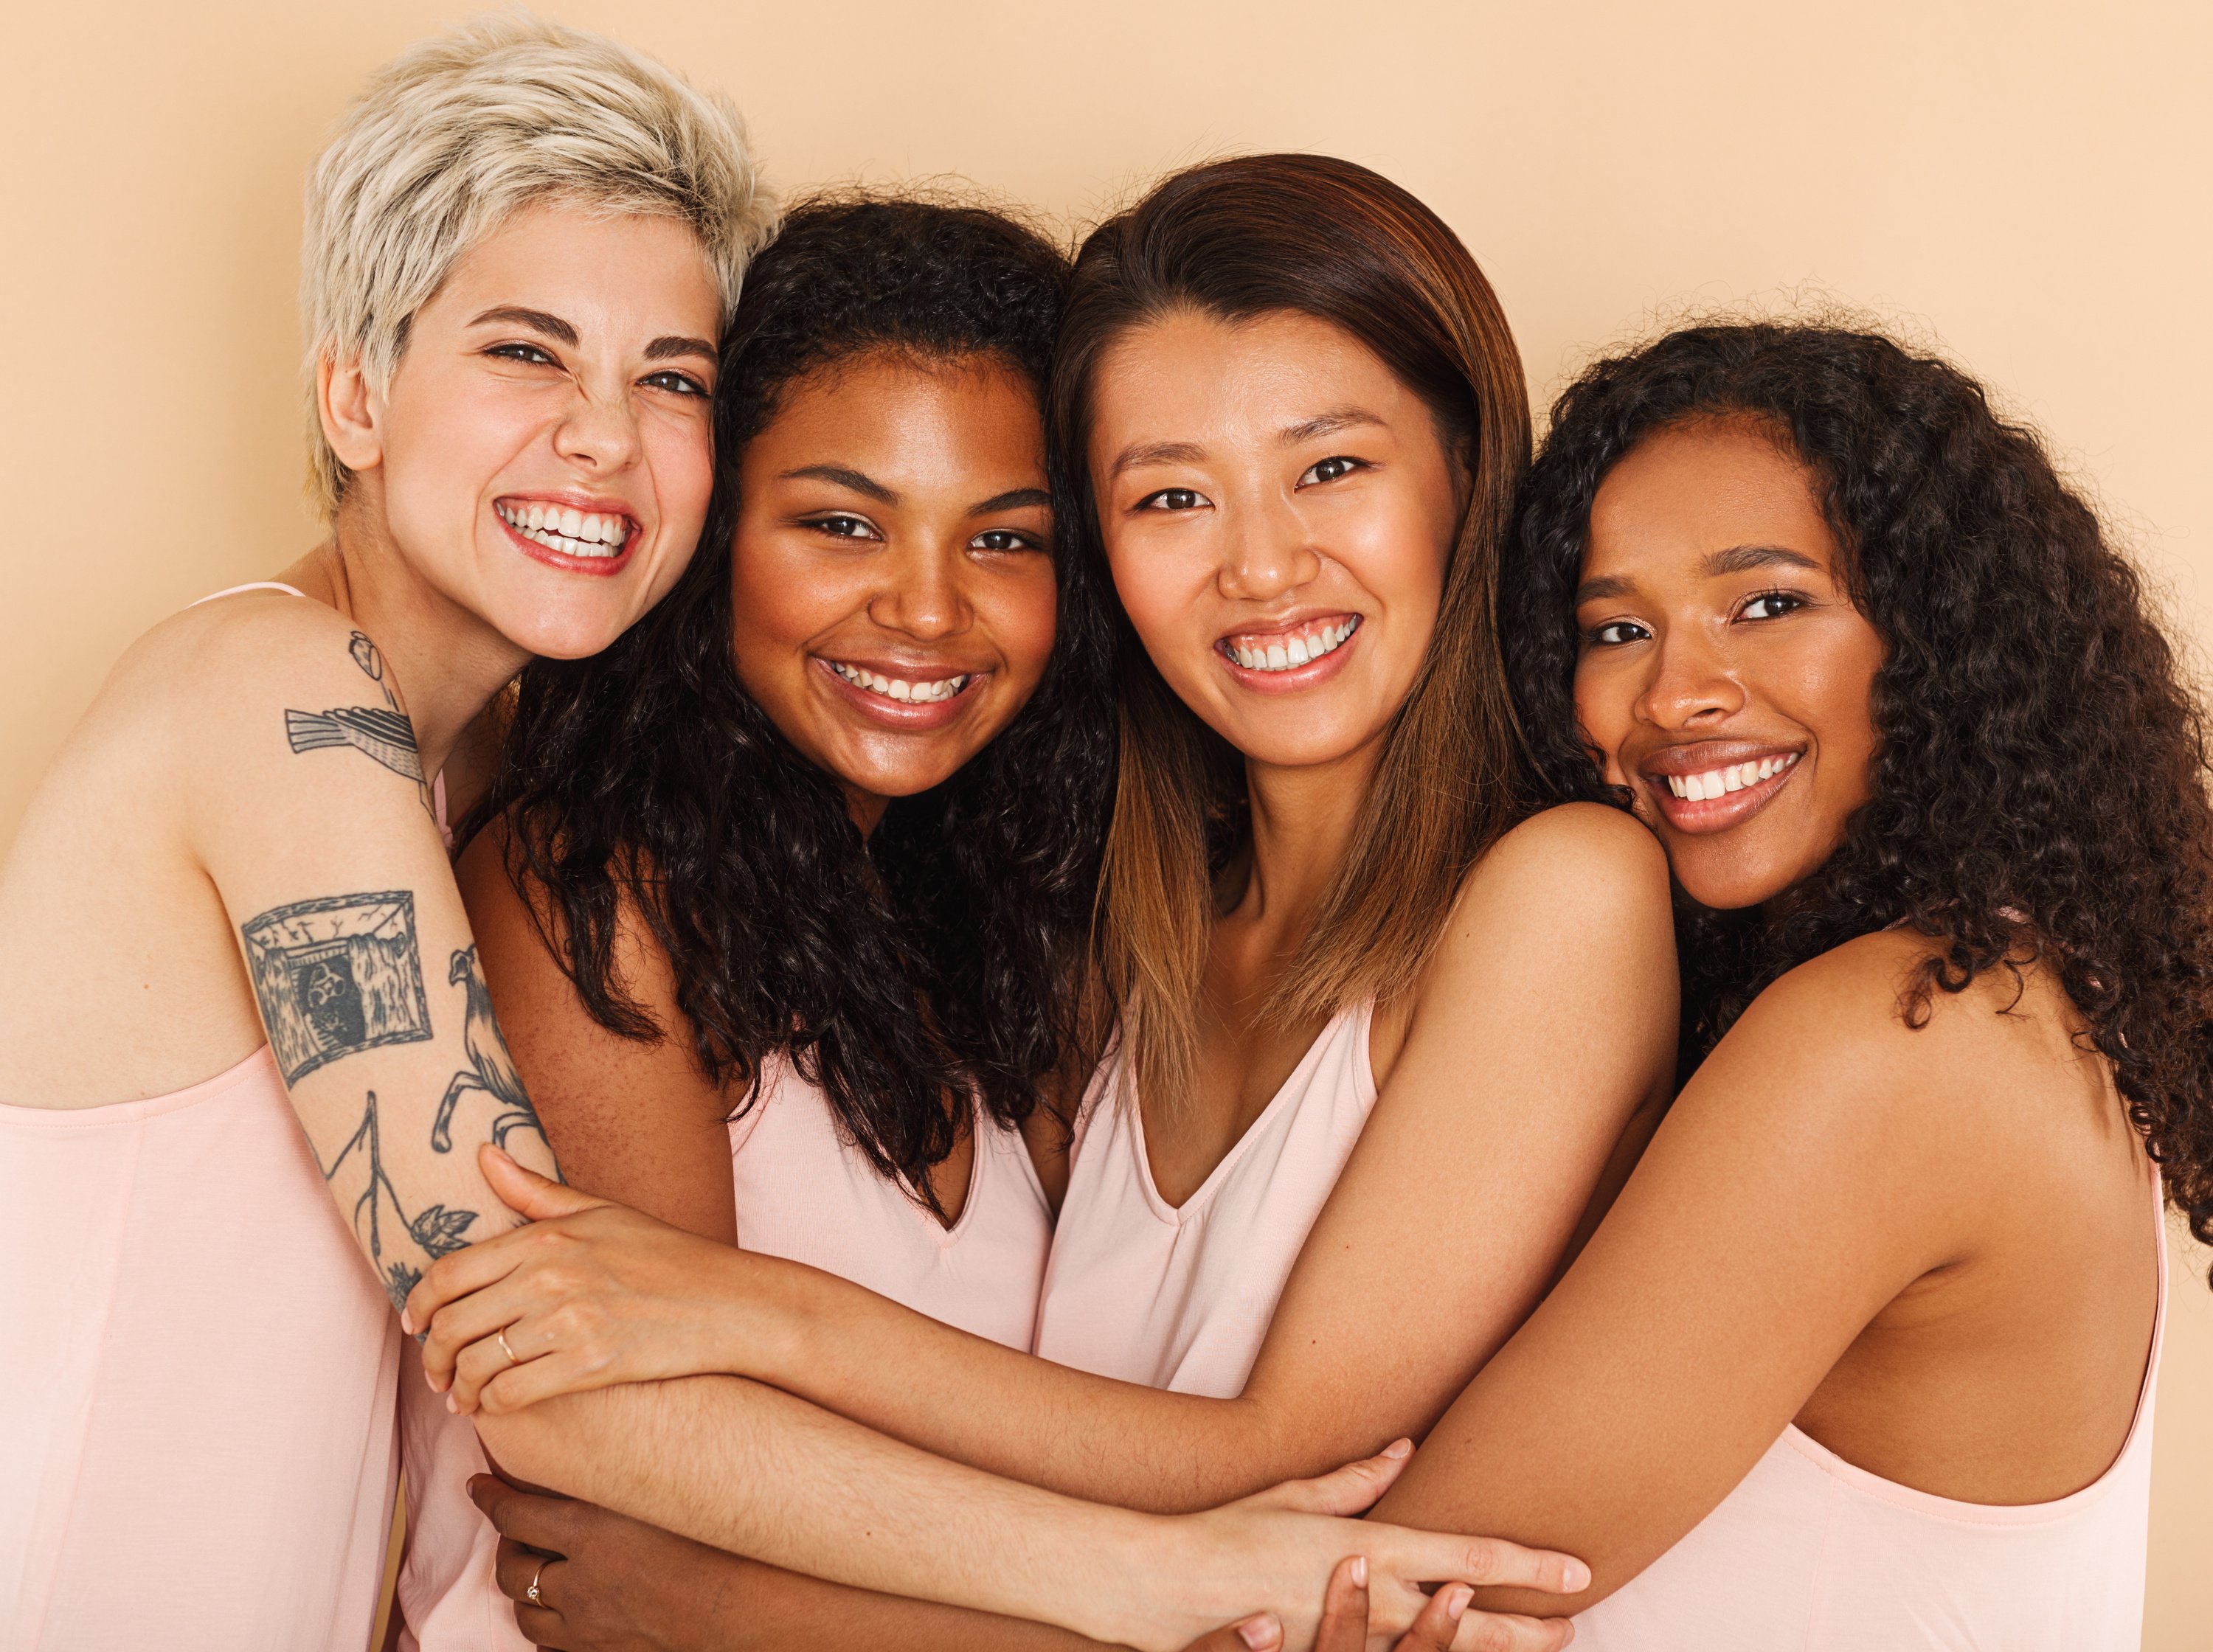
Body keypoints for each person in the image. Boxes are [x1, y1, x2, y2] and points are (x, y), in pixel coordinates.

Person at [408, 154, 1675, 1649]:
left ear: (1468, 475)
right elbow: (617, 1446)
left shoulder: (1554, 896)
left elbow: (1287, 1472)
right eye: (1173, 496)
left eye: (1331, 467)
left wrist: (736, 1556)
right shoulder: (1108, 948)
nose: (1262, 565)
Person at [0, 17, 766, 1648]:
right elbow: (547, 1377)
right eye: (527, 351)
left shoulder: (474, 767)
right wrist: (1157, 1570)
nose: (605, 435)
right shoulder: (275, 694)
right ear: (355, 393)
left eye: (672, 378)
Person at [1343, 322, 2197, 1647]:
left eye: (1770, 603)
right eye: (1617, 627)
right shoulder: (2002, 995)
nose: (1677, 693)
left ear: (1943, 639)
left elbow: (1384, 1607)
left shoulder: (1900, 1040)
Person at [436, 192, 1118, 1645]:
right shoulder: (591, 896)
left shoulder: (1001, 927)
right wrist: (1170, 1600)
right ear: (713, 534)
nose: (927, 610)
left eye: (1004, 541)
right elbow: (644, 1486)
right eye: (842, 523)